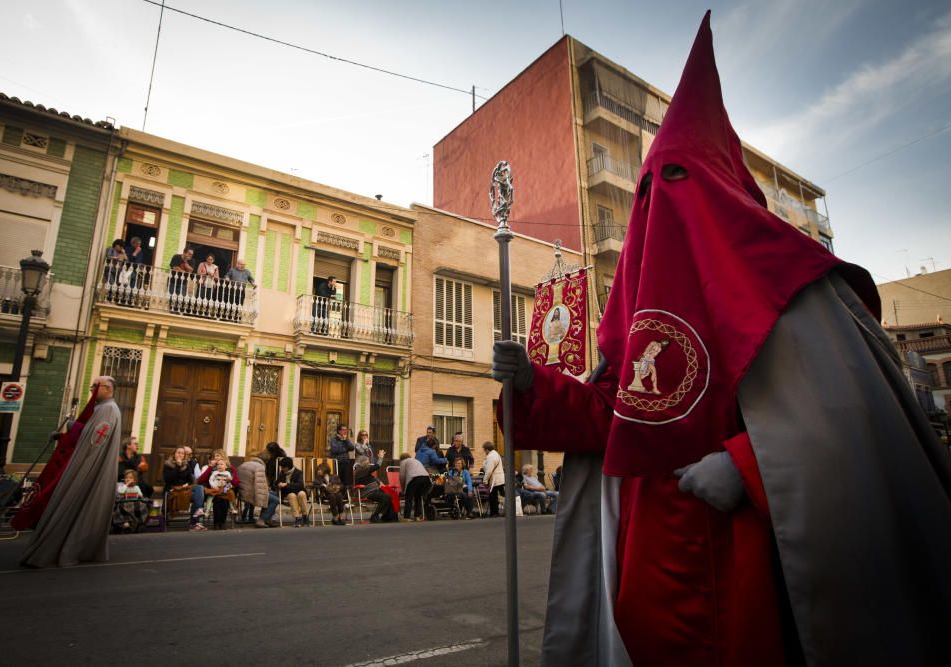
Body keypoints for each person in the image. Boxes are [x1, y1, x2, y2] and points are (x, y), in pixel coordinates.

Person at [491, 14, 951, 666]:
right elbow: (613, 413)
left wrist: (749, 466)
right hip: (653, 589)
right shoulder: (643, 309)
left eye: (677, 179)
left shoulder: (796, 288)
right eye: (649, 187)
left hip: (756, 573)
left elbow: (849, 428)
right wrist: (533, 386)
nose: (660, 200)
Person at [20, 376, 123, 568]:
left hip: (88, 467)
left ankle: (64, 549)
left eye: (95, 386)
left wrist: (71, 426)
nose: (91, 389)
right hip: (83, 462)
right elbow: (88, 434)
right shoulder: (101, 408)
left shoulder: (108, 409)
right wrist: (63, 435)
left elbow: (95, 439)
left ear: (107, 389)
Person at [163, 446, 206, 531]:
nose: (180, 455)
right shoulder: (167, 464)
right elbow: (168, 479)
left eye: (182, 453)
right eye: (178, 452)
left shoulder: (186, 465)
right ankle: (195, 521)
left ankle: (194, 522)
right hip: (173, 490)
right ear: (174, 454)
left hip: (184, 489)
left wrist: (186, 485)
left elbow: (190, 480)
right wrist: (177, 467)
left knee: (199, 488)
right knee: (198, 495)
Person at [195, 451, 238, 530]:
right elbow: (200, 481)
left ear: (224, 458)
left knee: (225, 501)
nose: (216, 459)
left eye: (218, 456)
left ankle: (222, 523)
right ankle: (216, 523)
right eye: (215, 457)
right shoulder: (211, 468)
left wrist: (230, 480)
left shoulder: (230, 469)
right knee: (217, 501)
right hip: (214, 491)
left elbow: (235, 483)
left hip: (226, 490)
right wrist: (210, 467)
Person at [238, 451, 278, 528]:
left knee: (274, 495)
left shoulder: (245, 463)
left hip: (241, 491)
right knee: (276, 500)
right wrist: (267, 490)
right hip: (250, 493)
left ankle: (267, 519)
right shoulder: (260, 467)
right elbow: (260, 485)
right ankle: (262, 520)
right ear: (266, 460)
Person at [352, 454, 393, 523]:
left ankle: (387, 516)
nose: (369, 464)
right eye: (367, 463)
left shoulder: (364, 471)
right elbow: (377, 466)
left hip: (374, 491)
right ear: (363, 463)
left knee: (390, 495)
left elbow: (374, 479)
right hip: (368, 493)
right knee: (386, 497)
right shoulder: (361, 471)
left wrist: (379, 482)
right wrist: (380, 458)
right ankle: (374, 516)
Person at [275, 456, 310, 528]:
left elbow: (300, 485)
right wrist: (279, 484)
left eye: (283, 467)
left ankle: (305, 516)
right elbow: (276, 483)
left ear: (287, 467)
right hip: (288, 493)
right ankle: (297, 518)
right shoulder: (282, 473)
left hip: (298, 491)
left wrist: (286, 484)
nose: (281, 469)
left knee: (302, 494)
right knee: (292, 495)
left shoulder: (298, 472)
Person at [398, 452, 431, 522]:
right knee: (418, 497)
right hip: (426, 478)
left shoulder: (403, 462)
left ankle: (406, 517)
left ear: (401, 459)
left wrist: (403, 489)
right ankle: (417, 516)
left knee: (409, 497)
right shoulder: (416, 460)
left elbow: (402, 476)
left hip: (415, 478)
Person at [480, 442, 504, 517]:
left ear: (487, 449)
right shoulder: (496, 454)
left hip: (495, 480)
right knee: (497, 496)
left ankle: (494, 513)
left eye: (484, 450)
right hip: (500, 479)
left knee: (493, 497)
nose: (484, 452)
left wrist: (485, 480)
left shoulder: (491, 456)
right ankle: (495, 512)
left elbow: (489, 470)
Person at [168, 246, 194, 313]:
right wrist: (184, 271)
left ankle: (178, 311)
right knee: (172, 296)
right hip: (173, 280)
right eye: (189, 254)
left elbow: (190, 270)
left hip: (183, 282)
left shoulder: (191, 261)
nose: (190, 256)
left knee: (181, 297)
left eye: (191, 254)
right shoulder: (176, 257)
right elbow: (174, 267)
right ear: (184, 252)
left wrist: (185, 262)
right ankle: (172, 310)